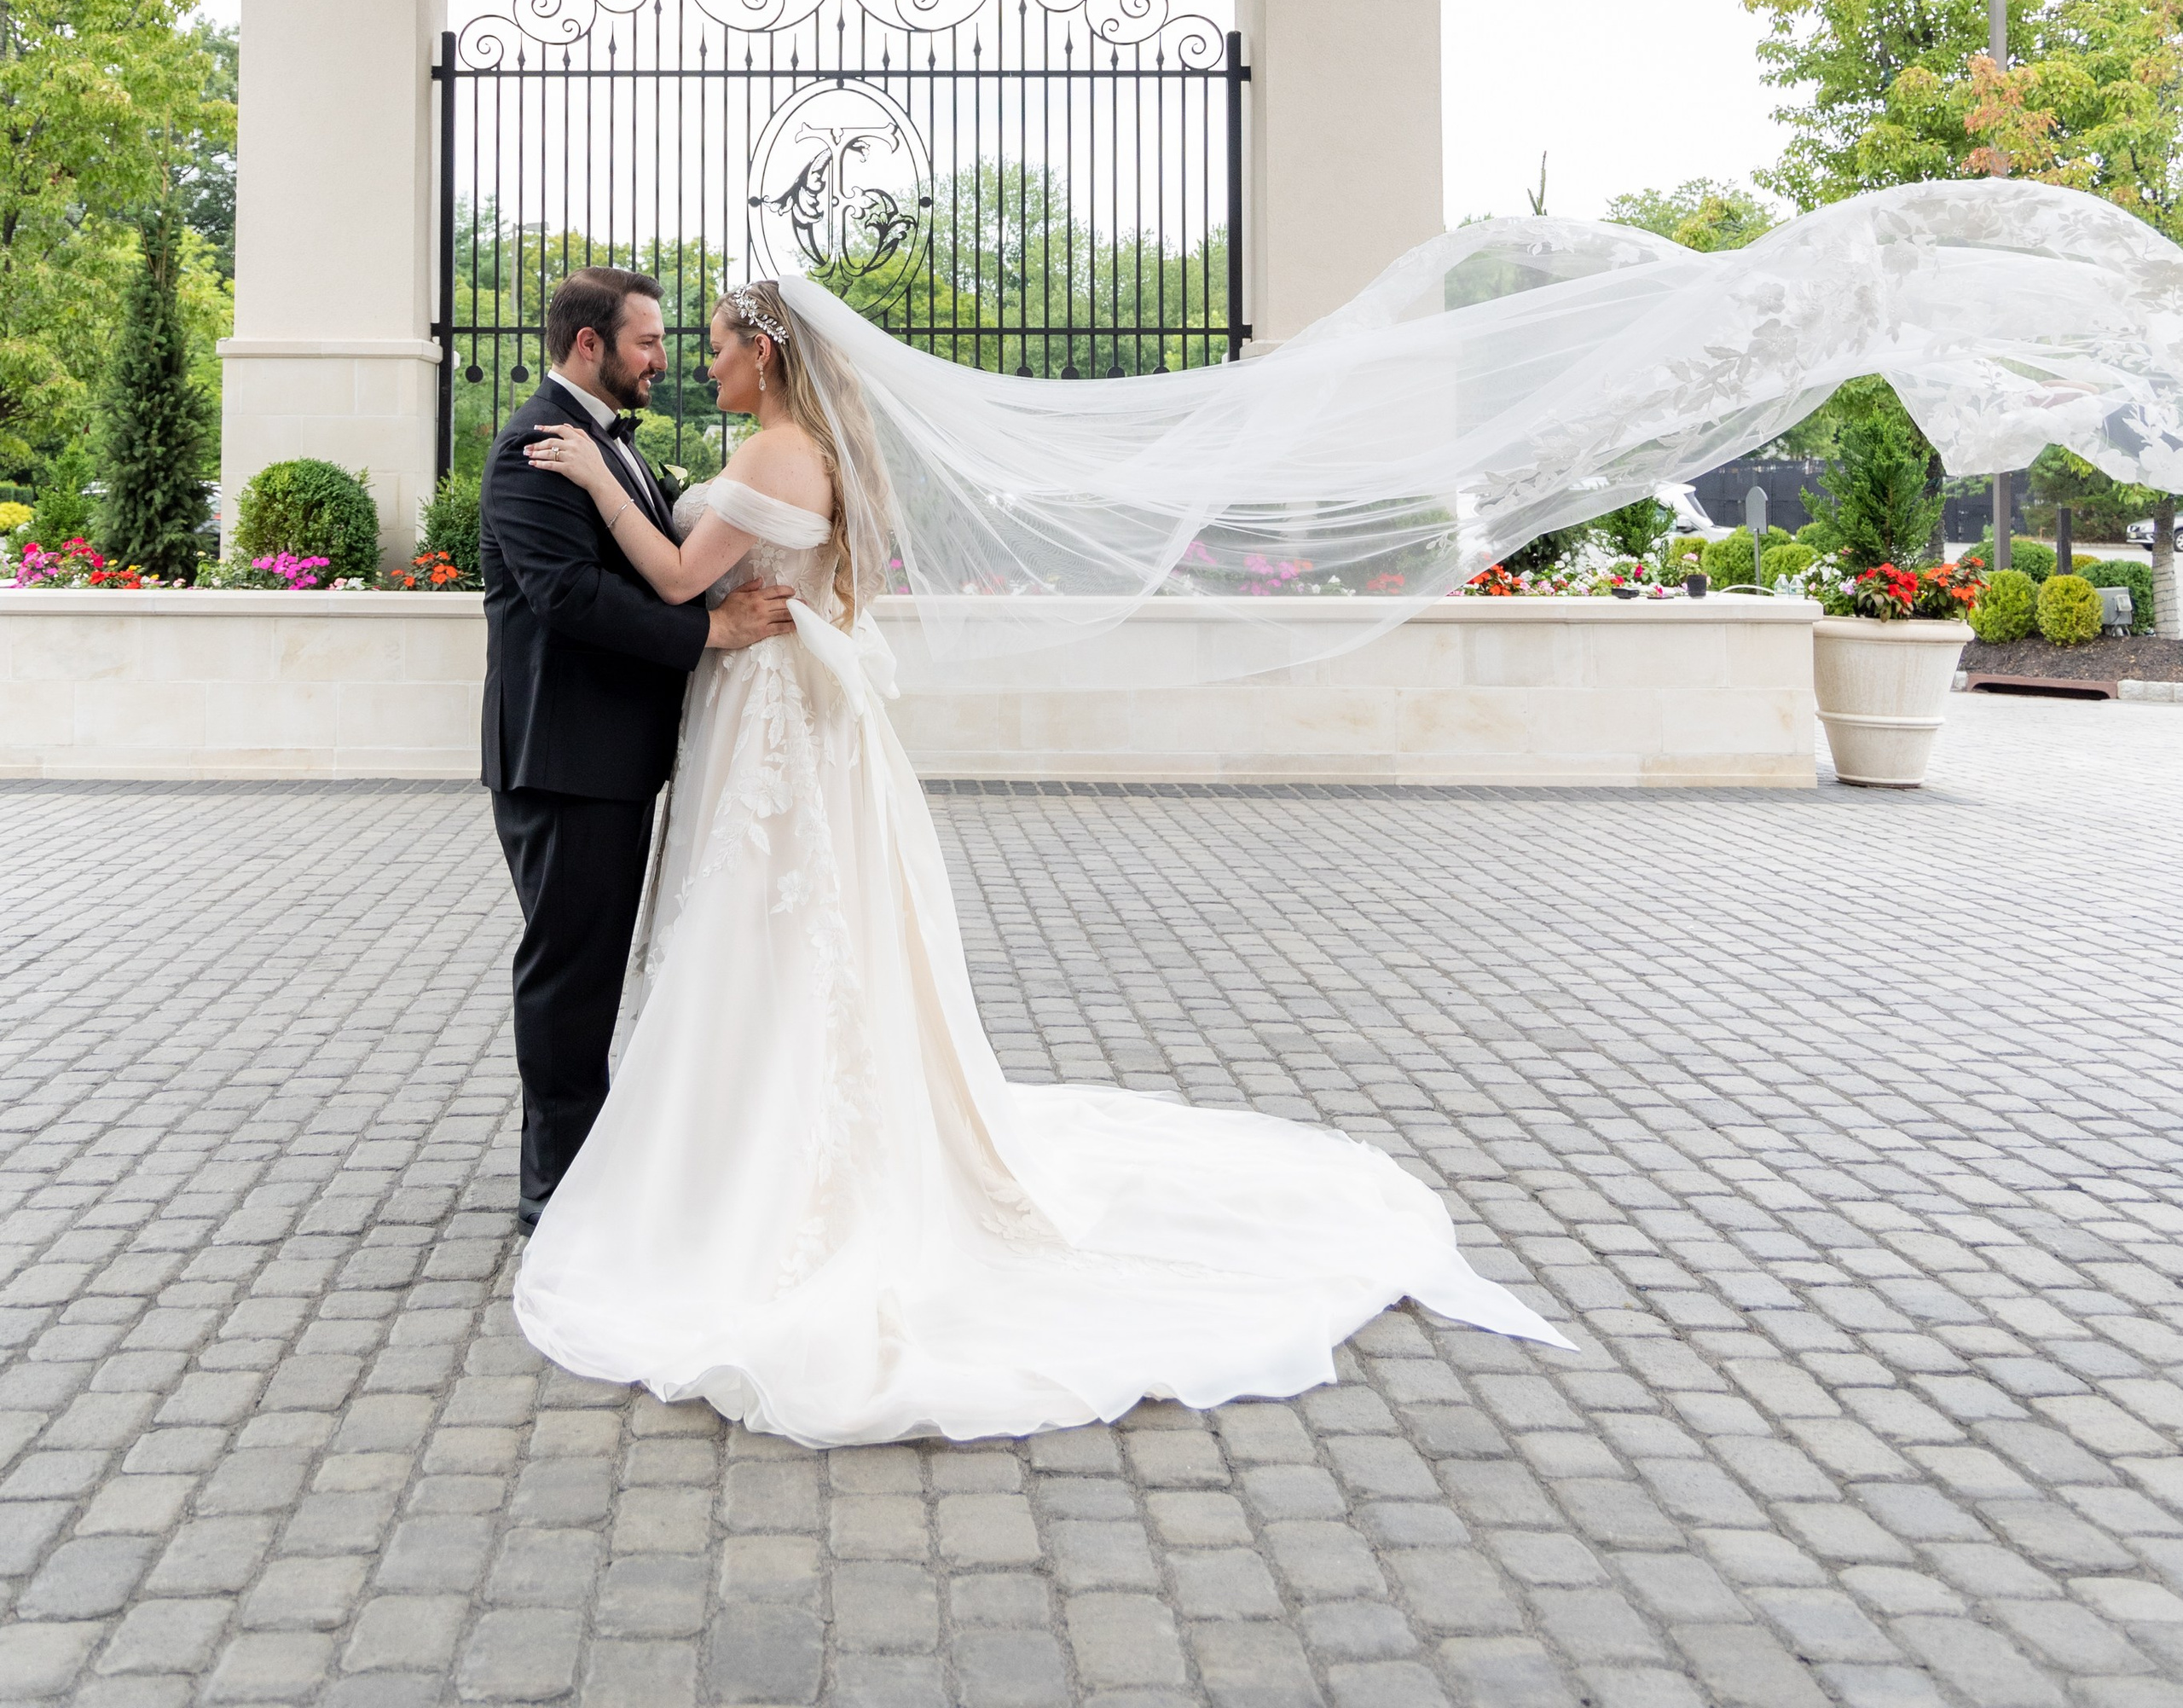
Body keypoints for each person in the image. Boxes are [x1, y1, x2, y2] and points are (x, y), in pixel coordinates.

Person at [509, 279, 1566, 1446]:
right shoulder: (808, 448)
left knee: (767, 932)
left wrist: (599, 479)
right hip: (783, 716)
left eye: (712, 347)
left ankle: (733, 1161)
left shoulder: (775, 453)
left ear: (764, 354)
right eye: (676, 345)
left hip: (770, 719)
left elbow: (672, 578)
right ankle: (734, 1139)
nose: (698, 364)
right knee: (791, 935)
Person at [478, 267, 794, 1229]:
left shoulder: (600, 441)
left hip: (609, 753)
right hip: (563, 753)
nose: (665, 359)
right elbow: (568, 595)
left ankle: (590, 1161)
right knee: (571, 970)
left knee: (591, 963)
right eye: (648, 342)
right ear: (590, 345)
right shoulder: (535, 445)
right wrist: (711, 632)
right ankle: (556, 1183)